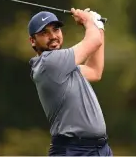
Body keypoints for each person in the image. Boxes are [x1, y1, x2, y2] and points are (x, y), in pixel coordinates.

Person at [28, 8, 113, 156]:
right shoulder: (50, 63)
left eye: (56, 30)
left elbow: (94, 71)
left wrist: (98, 27)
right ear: (33, 41)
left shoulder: (64, 66)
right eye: (44, 33)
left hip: (100, 149)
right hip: (73, 150)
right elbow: (94, 41)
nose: (53, 36)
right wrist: (89, 21)